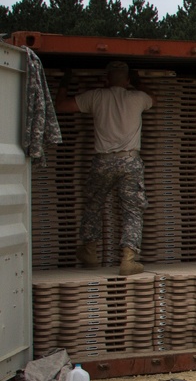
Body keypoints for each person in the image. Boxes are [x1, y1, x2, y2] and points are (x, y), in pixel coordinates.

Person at [55, 61, 155, 276]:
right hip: (130, 162)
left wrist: (65, 81)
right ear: (127, 81)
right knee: (132, 210)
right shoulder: (138, 97)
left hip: (103, 162)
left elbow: (61, 106)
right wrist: (138, 82)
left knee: (93, 205)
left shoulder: (95, 96)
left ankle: (90, 252)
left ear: (106, 79)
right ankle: (128, 259)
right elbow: (153, 98)